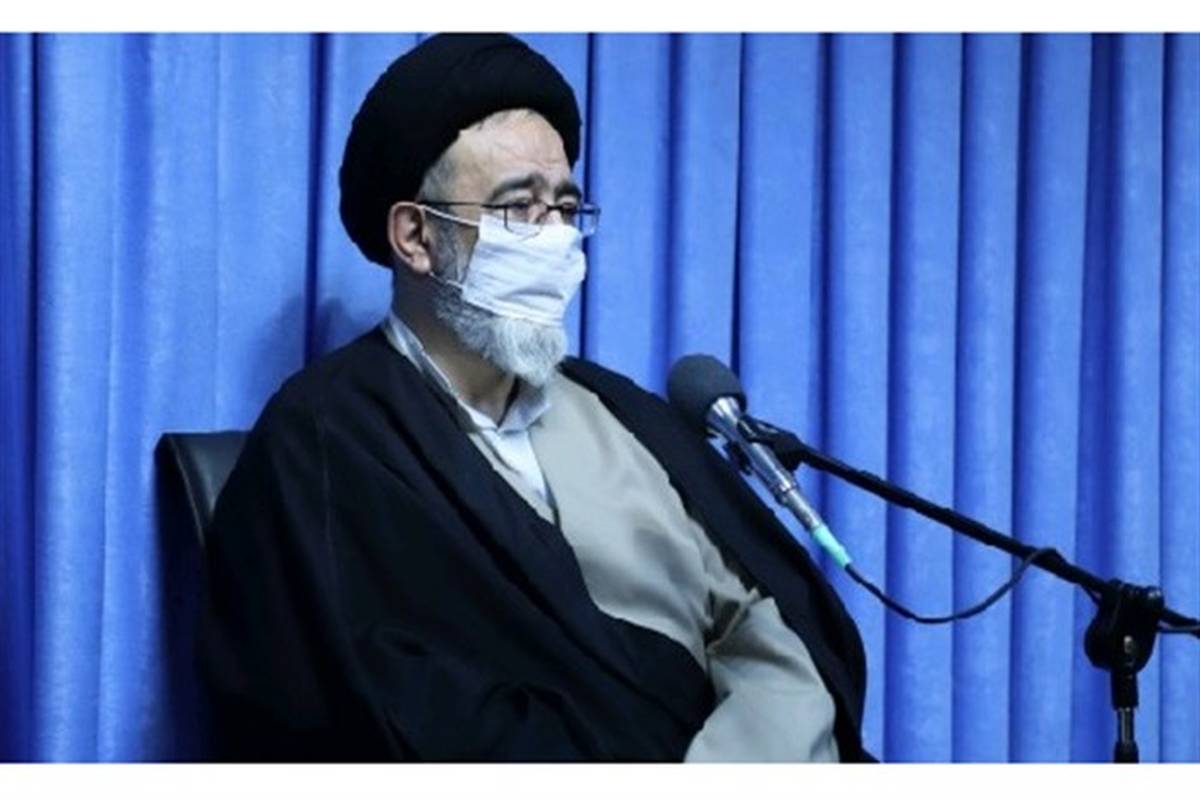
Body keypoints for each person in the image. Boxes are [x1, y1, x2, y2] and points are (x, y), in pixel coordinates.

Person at [198, 32, 871, 762]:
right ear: (416, 236)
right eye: (519, 208)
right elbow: (381, 710)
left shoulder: (622, 415)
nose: (555, 238)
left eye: (566, 208)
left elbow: (765, 623)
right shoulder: (324, 442)